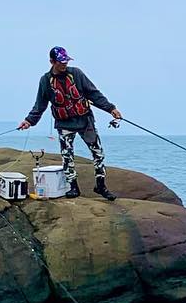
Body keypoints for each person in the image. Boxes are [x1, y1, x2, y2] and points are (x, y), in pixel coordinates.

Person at [17, 45, 122, 200]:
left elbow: (93, 93)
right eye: (61, 61)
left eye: (66, 60)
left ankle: (100, 185)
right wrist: (28, 121)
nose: (64, 64)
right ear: (52, 61)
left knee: (98, 153)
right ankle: (73, 187)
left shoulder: (76, 74)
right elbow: (40, 105)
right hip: (64, 124)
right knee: (67, 156)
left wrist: (111, 108)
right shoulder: (45, 81)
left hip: (85, 120)